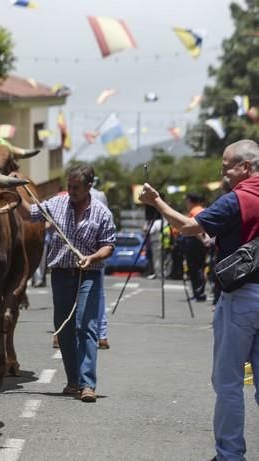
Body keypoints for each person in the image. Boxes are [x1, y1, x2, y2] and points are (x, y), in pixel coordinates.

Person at [139, 139, 259, 461]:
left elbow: (191, 226)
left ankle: (230, 455)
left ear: (245, 168)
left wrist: (158, 202)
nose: (224, 175)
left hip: (241, 297)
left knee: (229, 382)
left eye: (227, 168)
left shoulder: (239, 199)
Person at [28, 164, 116, 403]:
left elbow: (108, 245)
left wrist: (93, 257)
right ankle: (73, 380)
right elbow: (29, 212)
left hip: (89, 274)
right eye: (69, 186)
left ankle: (88, 384)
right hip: (60, 274)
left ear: (89, 187)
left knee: (85, 326)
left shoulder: (101, 212)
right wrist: (13, 195)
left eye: (76, 187)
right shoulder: (55, 205)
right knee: (63, 328)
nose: (71, 191)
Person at [90, 180, 111, 350]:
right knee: (99, 292)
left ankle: (101, 333)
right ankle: (101, 335)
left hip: (92, 249)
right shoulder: (101, 195)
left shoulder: (70, 194)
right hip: (97, 247)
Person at [183, 192, 208, 301]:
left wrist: (203, 240)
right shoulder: (201, 210)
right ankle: (198, 293)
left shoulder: (194, 211)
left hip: (195, 242)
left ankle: (198, 294)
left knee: (195, 269)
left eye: (186, 200)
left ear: (190, 201)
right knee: (199, 268)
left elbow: (196, 229)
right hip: (198, 243)